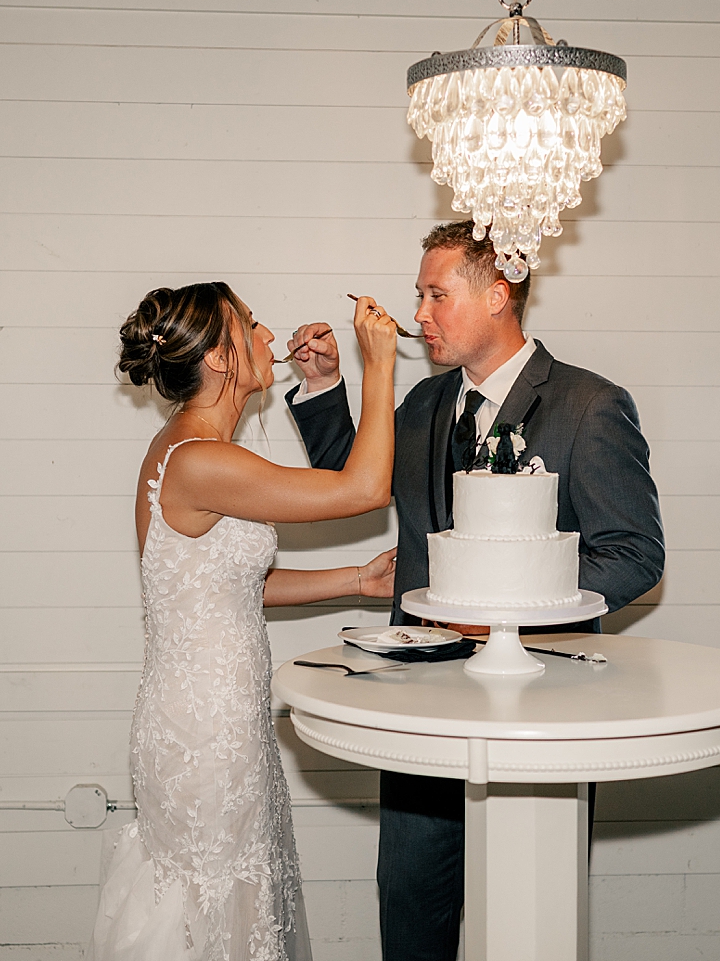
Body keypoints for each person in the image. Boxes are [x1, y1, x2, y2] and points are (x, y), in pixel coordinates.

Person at [285, 222, 665, 961]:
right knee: (410, 909)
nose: (419, 314)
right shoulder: (426, 403)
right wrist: (328, 386)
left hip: (542, 712)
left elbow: (635, 554)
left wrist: (512, 601)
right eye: (418, 296)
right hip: (420, 711)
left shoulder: (590, 406)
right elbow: (351, 478)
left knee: (529, 921)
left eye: (436, 294)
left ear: (498, 295)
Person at [90, 281, 399, 961]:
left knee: (231, 903)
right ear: (222, 357)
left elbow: (227, 587)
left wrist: (355, 580)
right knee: (214, 903)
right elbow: (365, 489)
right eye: (252, 326)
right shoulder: (200, 460)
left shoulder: (191, 452)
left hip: (218, 723)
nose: (268, 338)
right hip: (204, 736)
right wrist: (379, 366)